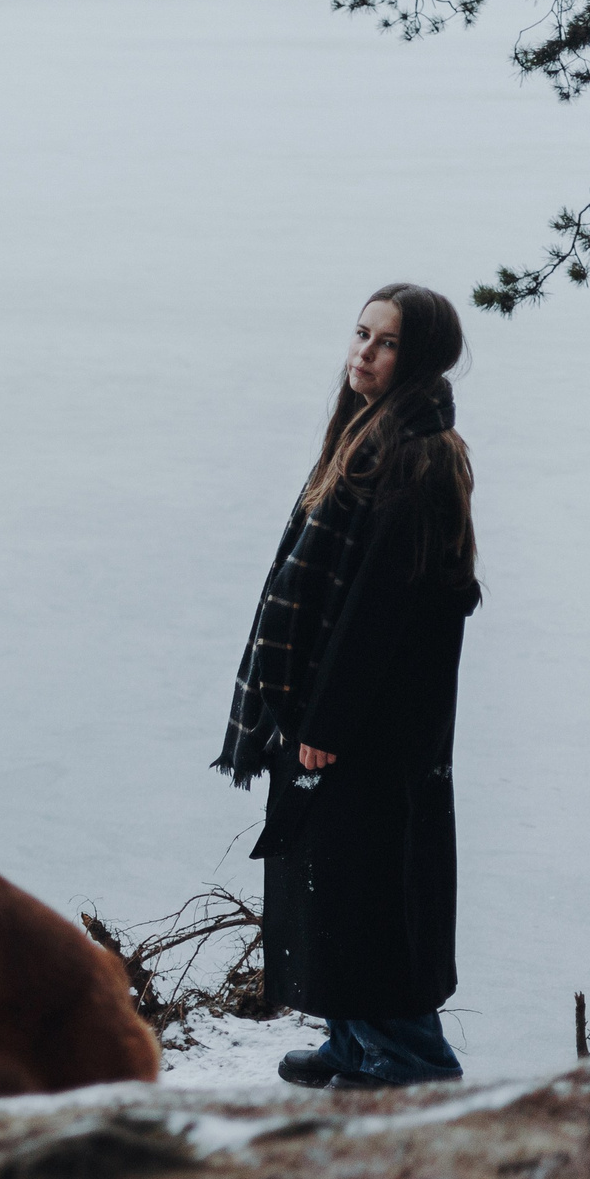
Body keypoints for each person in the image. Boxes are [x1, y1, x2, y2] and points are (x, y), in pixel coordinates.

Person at [213, 284, 481, 1090]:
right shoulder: (366, 436)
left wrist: (327, 721)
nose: (363, 352)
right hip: (336, 713)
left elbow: (382, 611)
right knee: (327, 889)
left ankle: (410, 1063)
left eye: (386, 342)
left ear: (420, 357)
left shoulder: (419, 455)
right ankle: (353, 1043)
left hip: (372, 728)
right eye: (361, 334)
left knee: (367, 897)